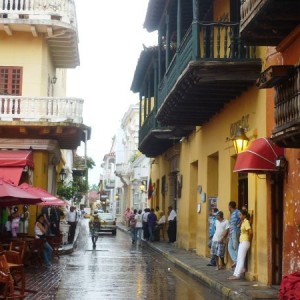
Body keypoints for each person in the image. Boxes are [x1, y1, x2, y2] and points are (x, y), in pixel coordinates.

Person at [228, 209, 253, 280]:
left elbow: (250, 232)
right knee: (239, 258)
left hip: (245, 241)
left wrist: (249, 240)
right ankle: (235, 274)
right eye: (239, 215)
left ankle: (237, 275)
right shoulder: (243, 222)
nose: (239, 216)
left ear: (244, 215)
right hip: (242, 241)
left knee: (241, 259)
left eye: (240, 215)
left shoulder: (246, 222)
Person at [228, 201, 241, 269]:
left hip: (235, 231)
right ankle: (236, 261)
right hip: (231, 232)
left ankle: (238, 263)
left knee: (236, 247)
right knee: (229, 247)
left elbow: (244, 217)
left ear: (230, 206)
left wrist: (240, 224)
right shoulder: (232, 213)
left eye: (228, 206)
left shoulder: (237, 212)